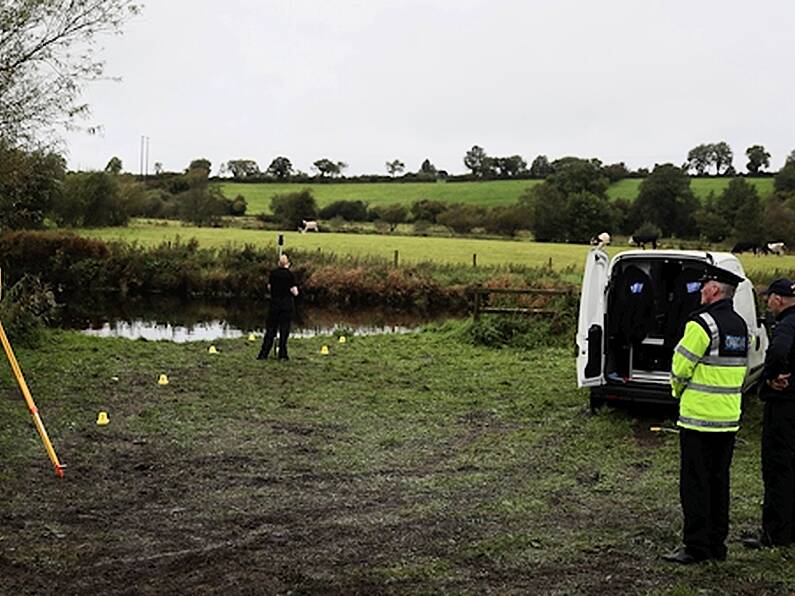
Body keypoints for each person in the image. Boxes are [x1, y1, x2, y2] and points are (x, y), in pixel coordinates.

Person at [663, 263, 748, 564]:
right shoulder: (739, 326)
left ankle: (696, 547)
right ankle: (717, 546)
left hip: (698, 420)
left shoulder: (701, 325)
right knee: (719, 482)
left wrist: (677, 392)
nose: (699, 290)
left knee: (695, 484)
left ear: (714, 290)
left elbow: (680, 366)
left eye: (703, 286)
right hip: (727, 421)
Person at [743, 278, 795, 549]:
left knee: (777, 468)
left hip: (784, 407)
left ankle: (775, 534)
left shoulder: (787, 324)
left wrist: (773, 376)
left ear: (779, 299)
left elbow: (778, 351)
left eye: (769, 298)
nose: (767, 302)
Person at [257, 254, 299, 361]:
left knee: (270, 330)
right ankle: (282, 355)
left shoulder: (273, 274)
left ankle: (263, 354)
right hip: (286, 306)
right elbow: (295, 292)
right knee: (284, 331)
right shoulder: (290, 275)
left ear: (278, 263)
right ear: (287, 264)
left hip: (274, 305)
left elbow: (269, 287)